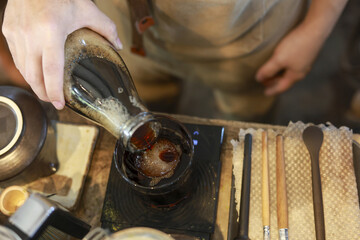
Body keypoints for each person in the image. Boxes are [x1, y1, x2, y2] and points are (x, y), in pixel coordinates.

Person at [1, 0, 348, 120]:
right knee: (138, 101)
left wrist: (319, 24)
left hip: (247, 36)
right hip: (121, 27)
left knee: (246, 111)